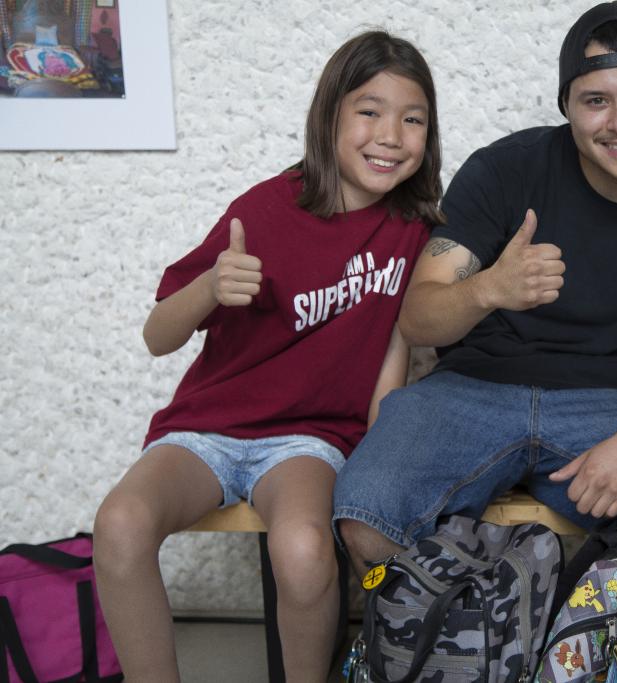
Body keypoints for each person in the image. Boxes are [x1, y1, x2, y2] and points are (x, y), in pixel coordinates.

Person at [334, 1, 617, 576]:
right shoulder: (505, 169)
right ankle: (452, 653)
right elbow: (419, 318)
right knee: (365, 508)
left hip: (612, 403)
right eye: (596, 100)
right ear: (568, 107)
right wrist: (488, 289)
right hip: (469, 390)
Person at [92, 31, 441, 682]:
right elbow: (156, 335)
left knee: (306, 548)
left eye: (412, 117)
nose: (391, 133)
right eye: (369, 110)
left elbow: (397, 354)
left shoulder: (416, 230)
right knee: (119, 522)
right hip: (206, 430)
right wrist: (209, 287)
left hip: (309, 442)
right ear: (329, 115)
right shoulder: (266, 208)